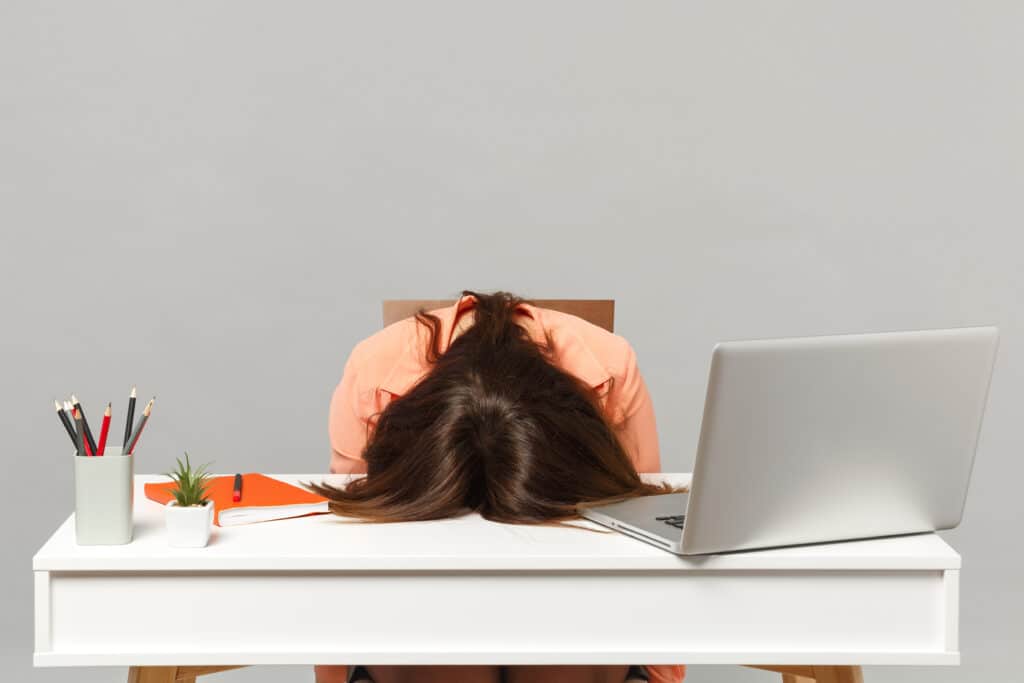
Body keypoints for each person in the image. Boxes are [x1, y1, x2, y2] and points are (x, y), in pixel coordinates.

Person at [311, 291, 687, 683]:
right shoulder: (374, 372)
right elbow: (351, 550)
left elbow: (645, 547)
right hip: (425, 607)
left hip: (570, 605)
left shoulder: (608, 366)